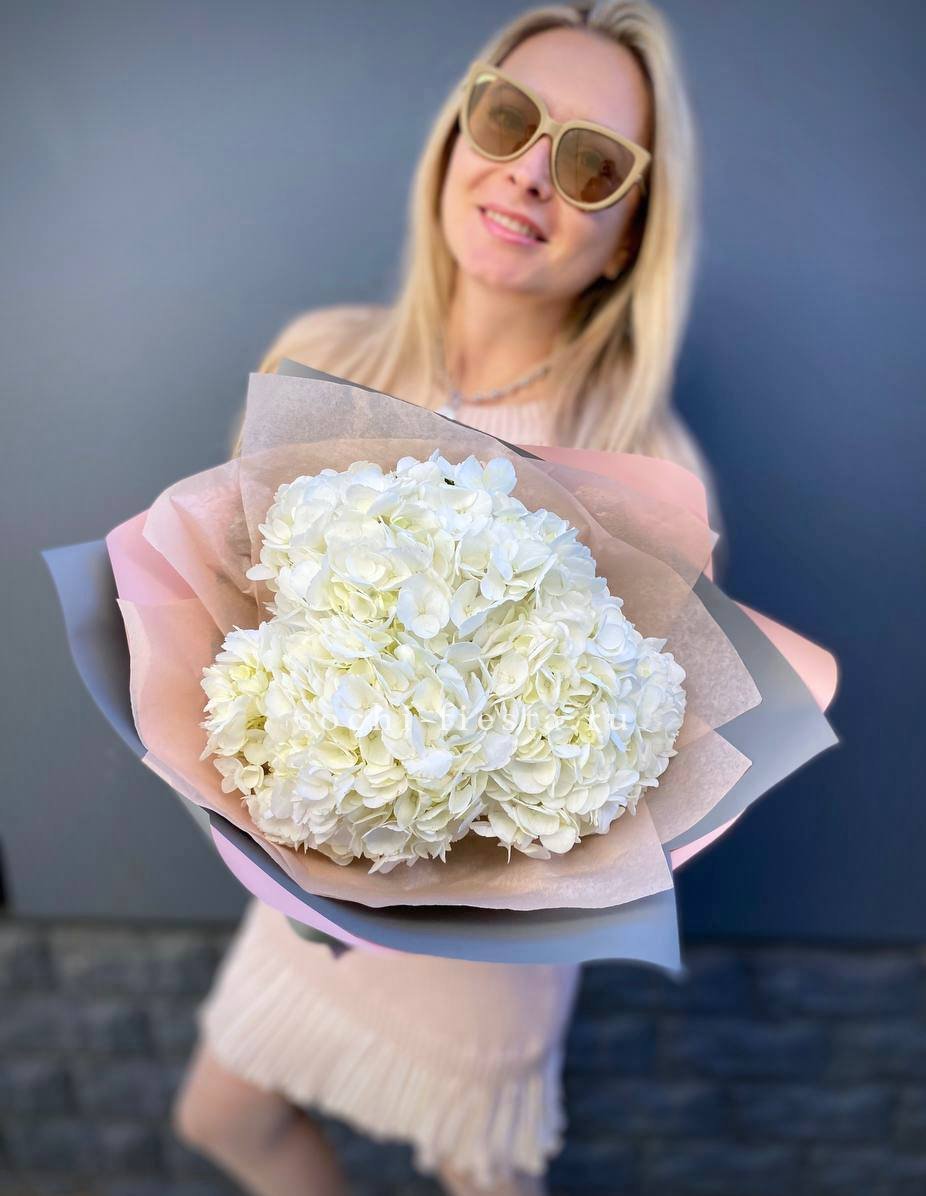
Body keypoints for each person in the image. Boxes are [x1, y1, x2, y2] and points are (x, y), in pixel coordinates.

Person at [171, 3, 723, 1193]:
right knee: (226, 1112)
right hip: (321, 852)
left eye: (590, 164)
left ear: (626, 236)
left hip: (489, 943)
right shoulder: (321, 355)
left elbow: (636, 765)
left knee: (482, 1176)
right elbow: (237, 610)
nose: (528, 172)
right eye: (508, 117)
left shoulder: (641, 461)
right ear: (455, 136)